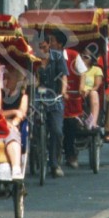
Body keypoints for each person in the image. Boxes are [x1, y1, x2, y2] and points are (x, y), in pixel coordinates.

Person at [37, 28, 72, 177]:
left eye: (44, 47)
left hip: (55, 97)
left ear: (49, 44)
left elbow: (64, 76)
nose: (42, 50)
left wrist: (63, 91)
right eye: (39, 48)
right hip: (37, 98)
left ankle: (54, 163)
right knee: (34, 128)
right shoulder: (32, 58)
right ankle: (36, 153)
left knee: (57, 131)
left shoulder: (57, 57)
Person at [78, 41, 104, 133]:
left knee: (94, 93)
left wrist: (89, 91)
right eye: (81, 56)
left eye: (85, 57)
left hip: (89, 92)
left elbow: (97, 86)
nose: (82, 59)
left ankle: (93, 122)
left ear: (91, 59)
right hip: (77, 91)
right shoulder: (76, 68)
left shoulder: (96, 70)